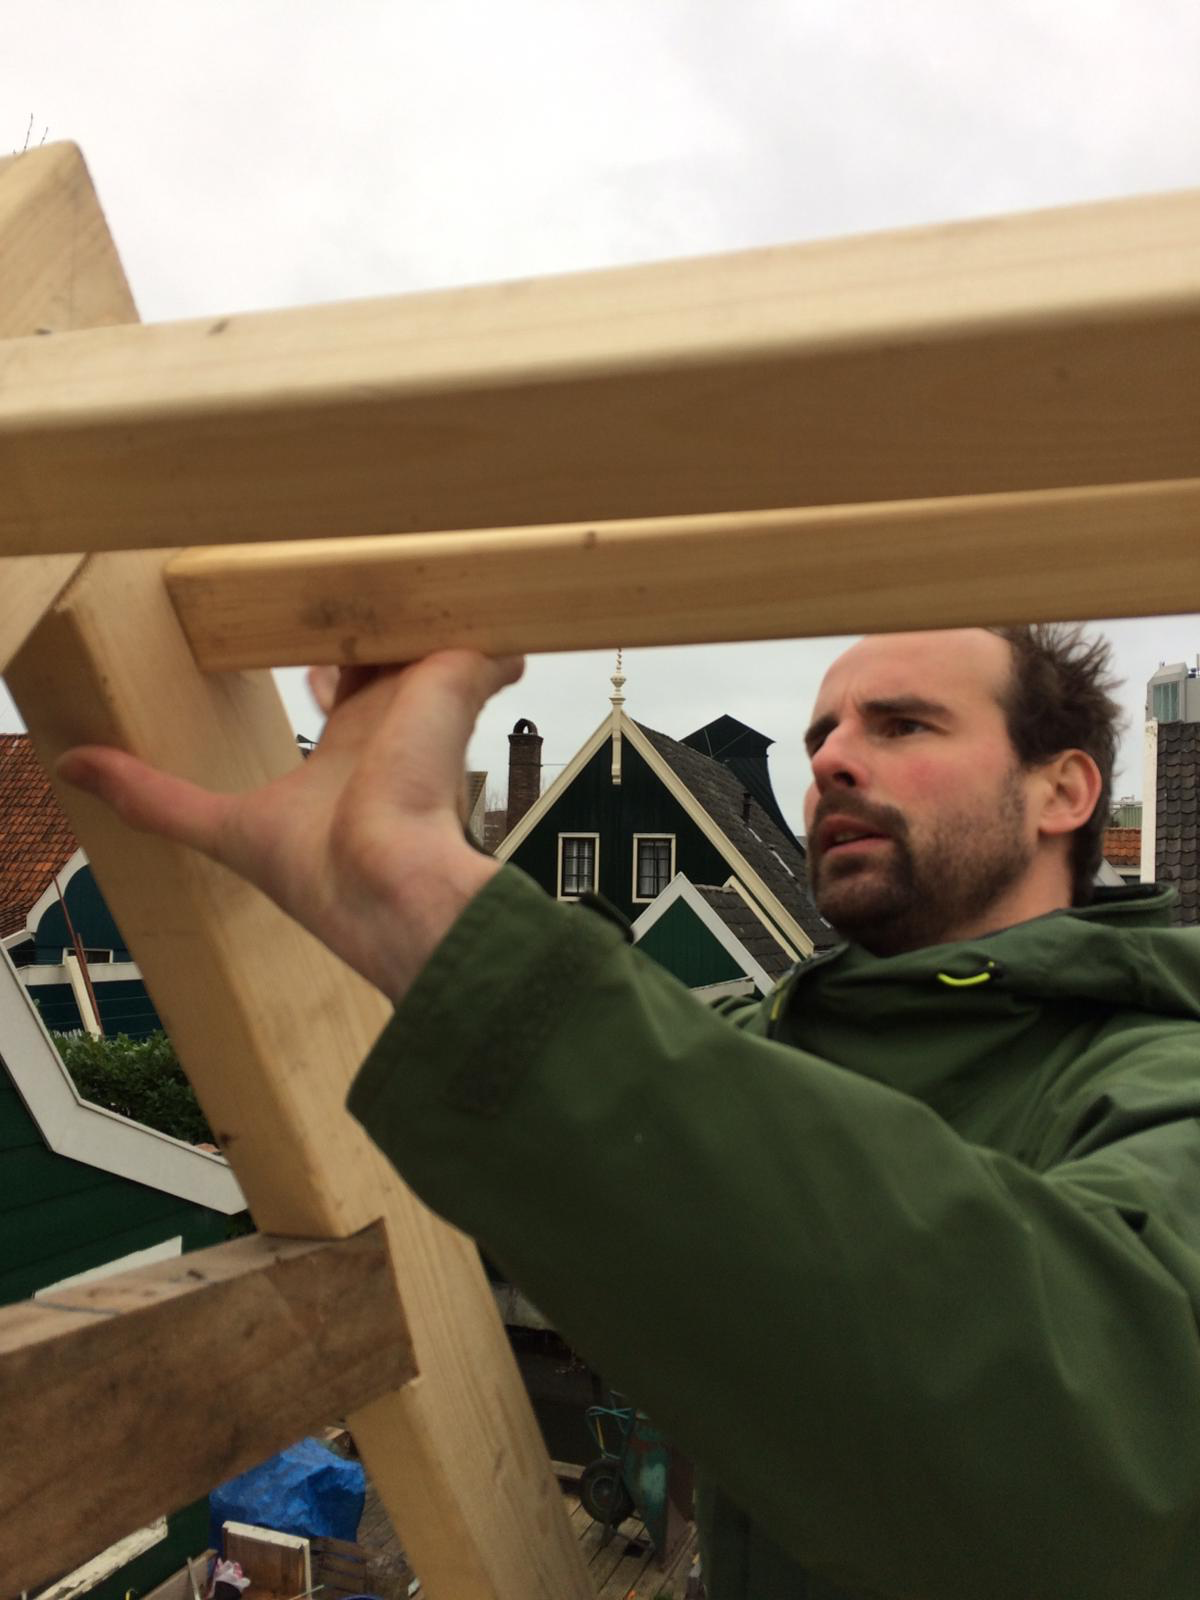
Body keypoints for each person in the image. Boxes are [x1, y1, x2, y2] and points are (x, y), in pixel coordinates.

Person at [59, 627, 1200, 1600]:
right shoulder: (772, 1041)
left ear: (1064, 791)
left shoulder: (1164, 1077)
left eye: (903, 725)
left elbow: (1097, 1453)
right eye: (820, 736)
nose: (830, 760)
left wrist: (442, 909)